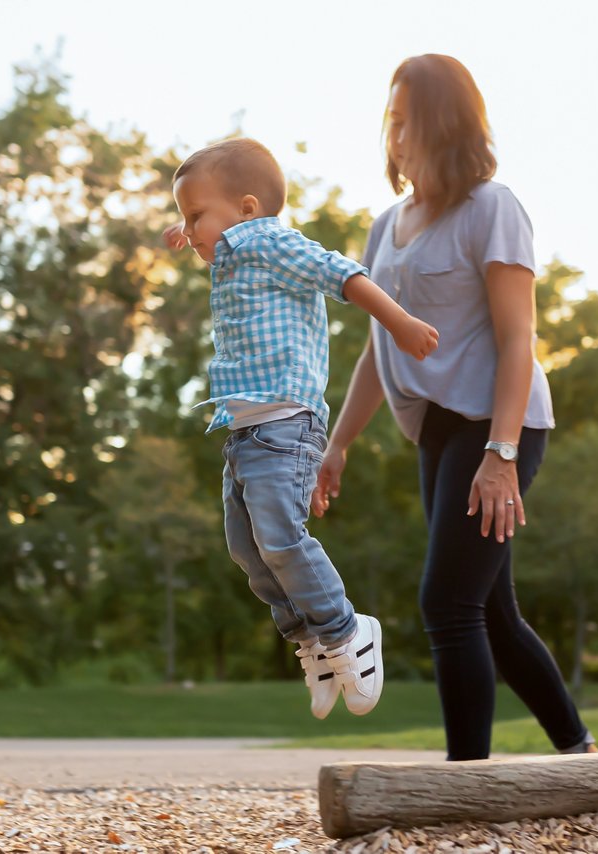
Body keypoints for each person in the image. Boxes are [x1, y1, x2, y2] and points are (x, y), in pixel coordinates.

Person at [310, 55, 598, 759]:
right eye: (390, 120)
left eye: (408, 120)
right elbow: (383, 349)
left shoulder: (492, 210)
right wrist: (339, 442)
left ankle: (466, 782)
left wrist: (501, 456)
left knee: (447, 602)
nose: (395, 135)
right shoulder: (387, 226)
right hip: (437, 432)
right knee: (492, 614)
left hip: (498, 425)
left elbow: (517, 338)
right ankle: (580, 751)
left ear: (443, 124)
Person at [165, 138, 439, 719]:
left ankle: (347, 631)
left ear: (245, 209)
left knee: (282, 539)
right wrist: (190, 235)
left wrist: (399, 322)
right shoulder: (235, 253)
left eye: (195, 216)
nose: (189, 231)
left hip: (285, 423)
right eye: (183, 220)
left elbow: (341, 273)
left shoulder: (269, 240)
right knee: (247, 548)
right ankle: (311, 639)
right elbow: (210, 243)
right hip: (245, 433)